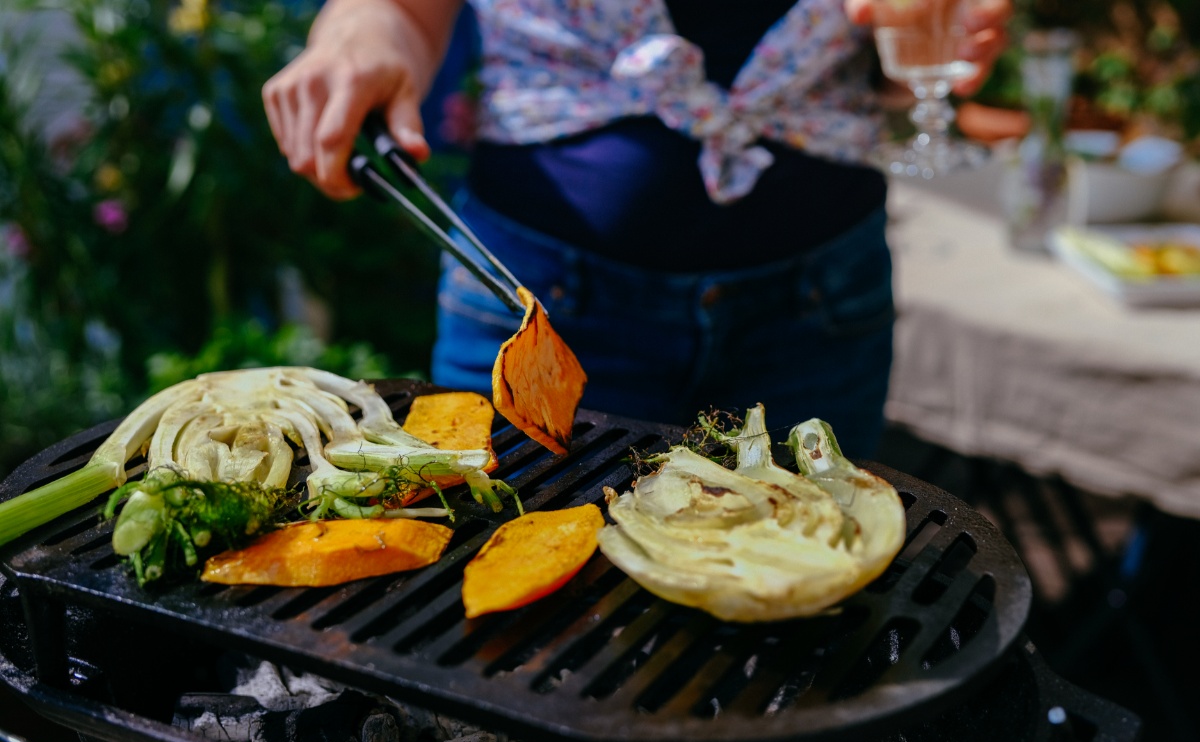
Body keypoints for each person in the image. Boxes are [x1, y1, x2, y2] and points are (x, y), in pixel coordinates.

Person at [263, 0, 1010, 458]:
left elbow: (889, 54)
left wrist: (928, 49)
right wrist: (356, 37)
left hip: (816, 313)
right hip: (539, 310)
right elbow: (396, 8)